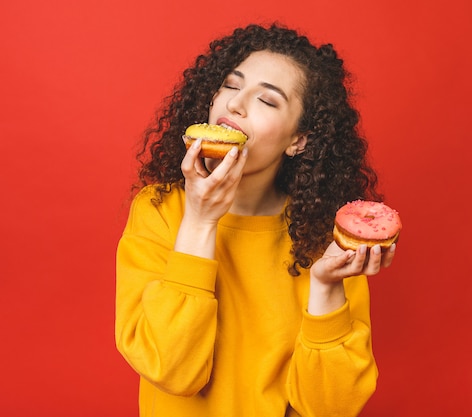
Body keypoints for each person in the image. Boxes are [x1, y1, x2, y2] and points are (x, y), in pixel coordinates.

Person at [115, 22, 397, 417]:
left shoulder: (324, 243)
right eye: (231, 86)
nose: (235, 104)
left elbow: (328, 407)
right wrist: (199, 221)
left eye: (267, 101)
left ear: (299, 140)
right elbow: (172, 371)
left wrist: (327, 287)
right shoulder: (159, 211)